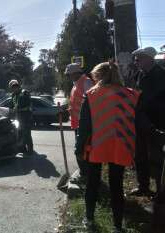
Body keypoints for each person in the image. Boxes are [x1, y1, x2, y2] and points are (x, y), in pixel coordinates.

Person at [75, 62, 139, 232]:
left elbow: (84, 126)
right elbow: (136, 122)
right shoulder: (130, 95)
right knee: (117, 187)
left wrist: (79, 148)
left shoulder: (92, 94)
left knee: (92, 184)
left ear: (98, 76)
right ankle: (117, 226)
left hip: (97, 145)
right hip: (120, 146)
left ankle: (89, 220)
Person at [130, 47, 165, 197]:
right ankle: (143, 186)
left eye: (139, 58)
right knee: (140, 156)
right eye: (136, 59)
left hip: (156, 124)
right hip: (140, 122)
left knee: (156, 159)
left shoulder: (161, 74)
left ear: (150, 58)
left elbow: (149, 99)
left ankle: (161, 191)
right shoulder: (138, 74)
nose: (136, 61)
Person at [65, 63, 94, 182]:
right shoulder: (76, 84)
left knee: (82, 149)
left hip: (85, 123)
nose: (69, 76)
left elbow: (90, 103)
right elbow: (76, 103)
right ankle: (84, 173)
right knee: (80, 149)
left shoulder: (86, 82)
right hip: (77, 122)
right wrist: (66, 110)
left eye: (70, 74)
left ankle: (86, 175)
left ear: (76, 73)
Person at [8, 79, 34, 155]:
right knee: (19, 133)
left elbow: (29, 105)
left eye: (15, 86)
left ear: (18, 86)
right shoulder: (13, 95)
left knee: (27, 134)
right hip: (18, 117)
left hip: (26, 117)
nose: (14, 88)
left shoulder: (24, 93)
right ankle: (22, 149)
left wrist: (18, 109)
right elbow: (12, 105)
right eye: (12, 87)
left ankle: (30, 150)